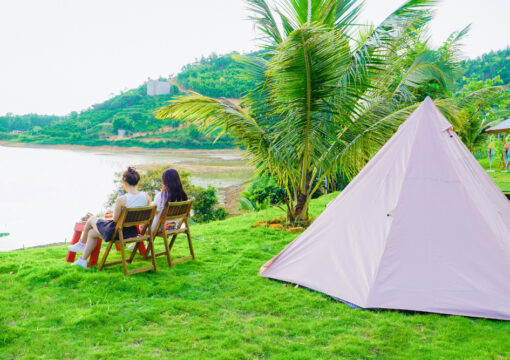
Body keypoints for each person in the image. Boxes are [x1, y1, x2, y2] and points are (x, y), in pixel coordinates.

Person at [68, 166, 150, 269]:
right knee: (92, 233)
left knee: (91, 219)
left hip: (118, 233)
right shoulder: (146, 196)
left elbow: (115, 220)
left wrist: (117, 205)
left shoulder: (122, 199)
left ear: (125, 184)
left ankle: (81, 244)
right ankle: (82, 260)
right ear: (137, 182)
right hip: (132, 232)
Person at [151, 168, 188, 234]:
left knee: (142, 226)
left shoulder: (161, 196)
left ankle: (146, 244)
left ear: (165, 181)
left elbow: (154, 210)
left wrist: (161, 193)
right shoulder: (182, 196)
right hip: (173, 226)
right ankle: (141, 245)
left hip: (160, 228)